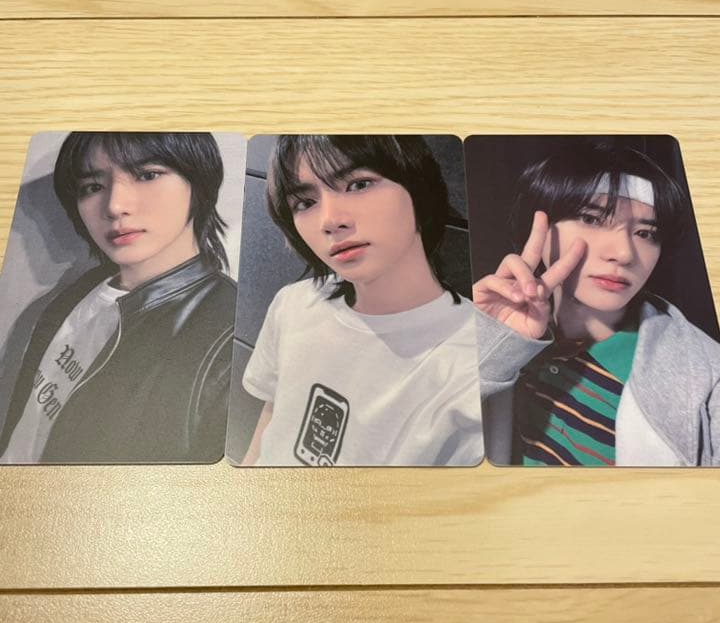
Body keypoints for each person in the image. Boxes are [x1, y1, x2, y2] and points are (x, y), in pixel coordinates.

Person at [240, 135, 482, 466]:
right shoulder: (293, 304)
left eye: (359, 184)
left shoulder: (472, 361)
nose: (330, 220)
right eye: (305, 203)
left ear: (417, 188)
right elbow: (272, 421)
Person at [473, 141, 720, 466]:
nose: (624, 253)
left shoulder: (705, 379)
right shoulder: (498, 323)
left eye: (646, 233)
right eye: (591, 219)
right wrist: (488, 346)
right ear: (538, 227)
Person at [0, 132, 237, 464]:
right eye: (93, 187)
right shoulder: (83, 288)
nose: (114, 206)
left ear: (198, 182)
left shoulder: (229, 336)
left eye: (147, 175)